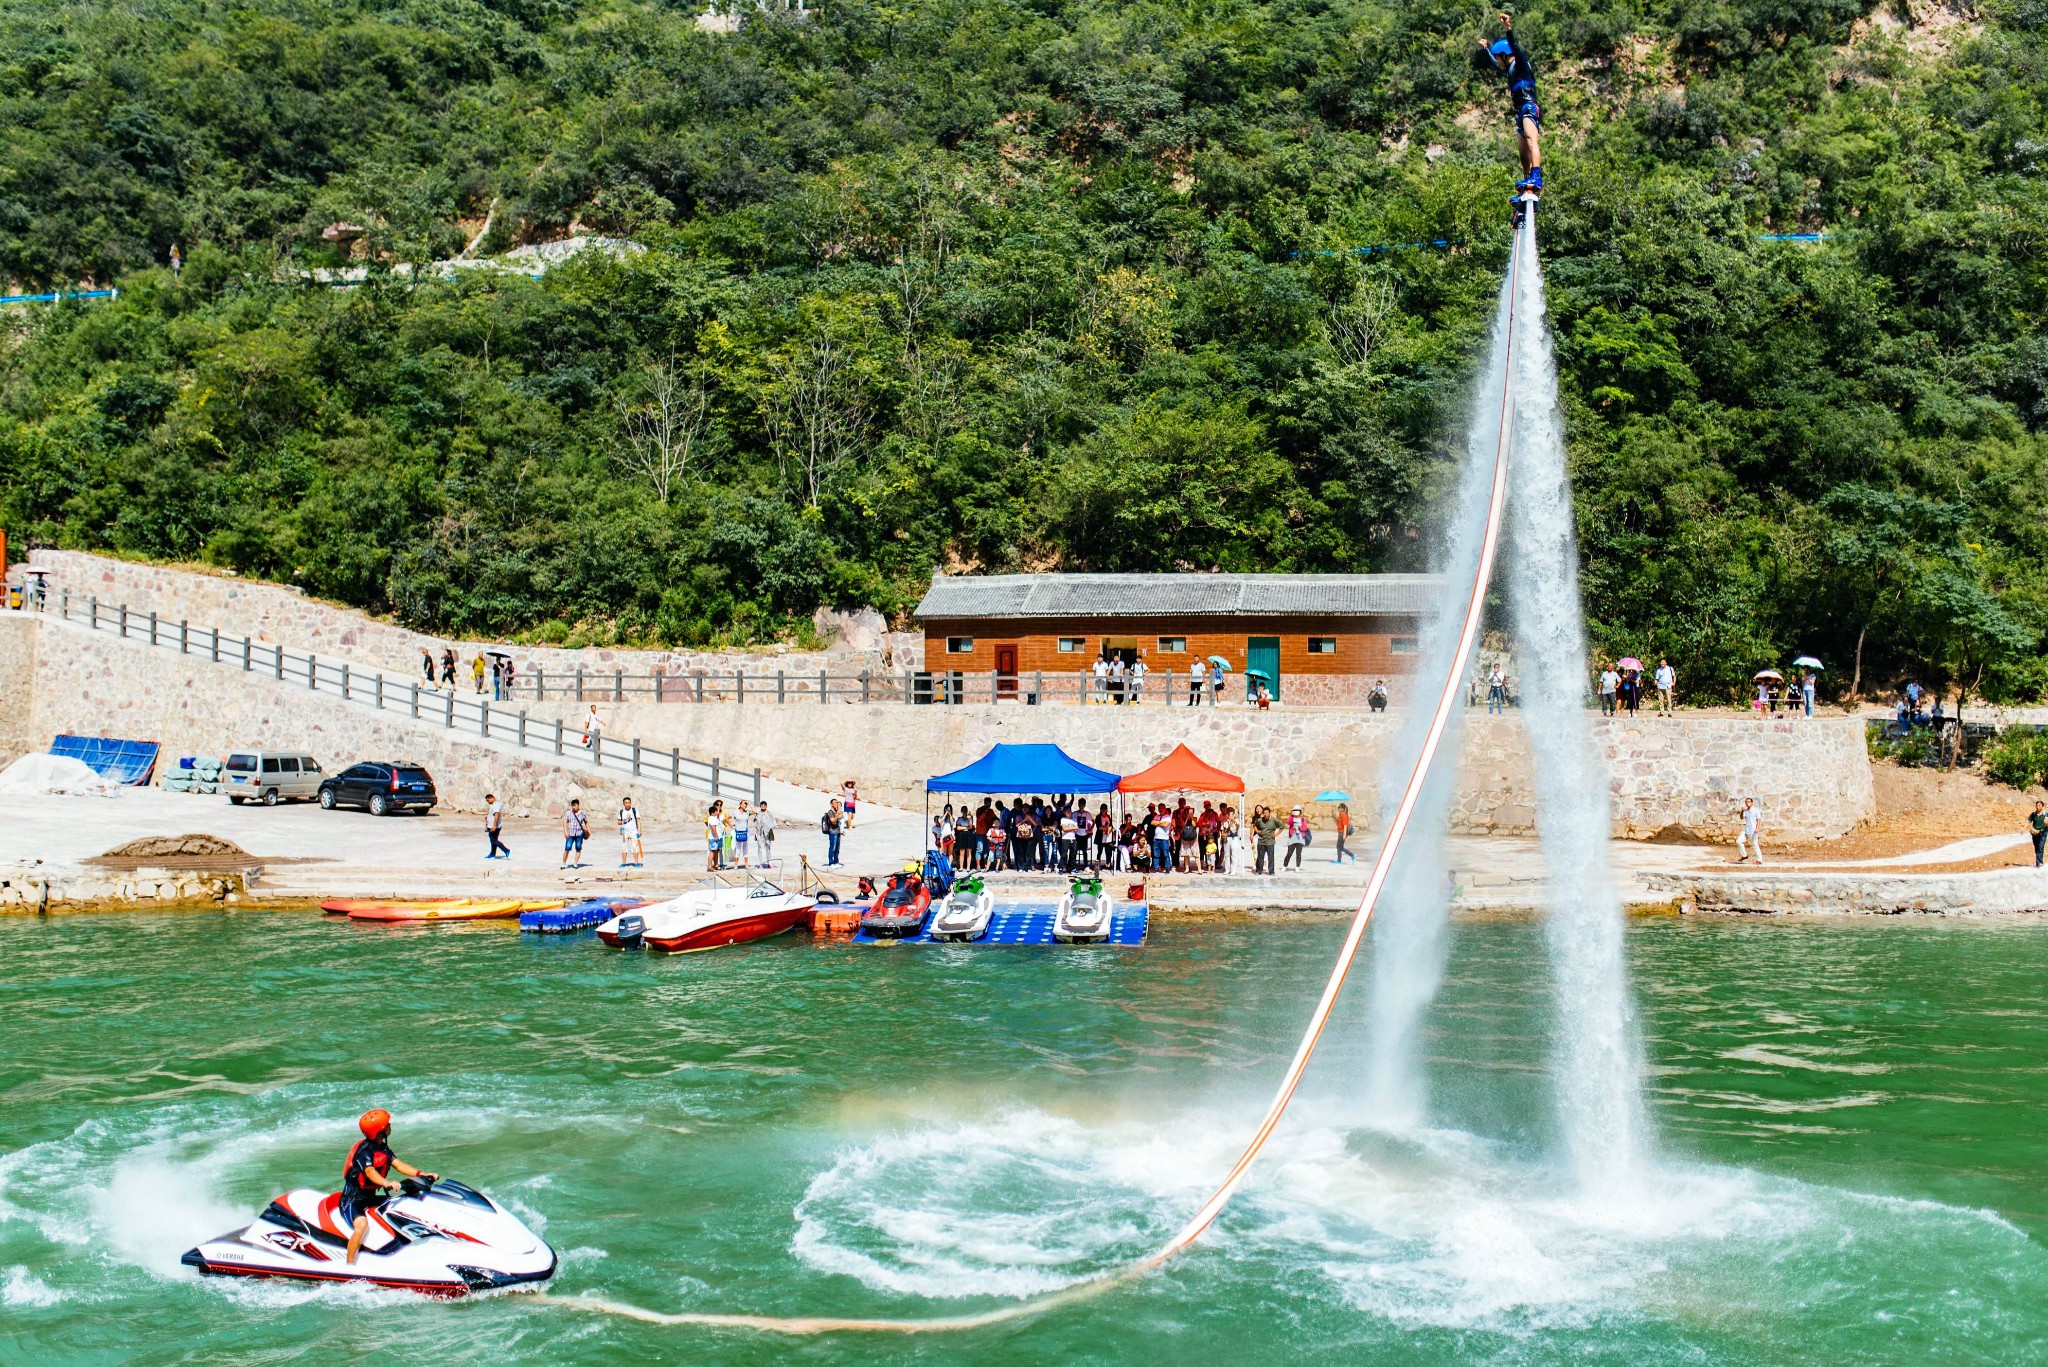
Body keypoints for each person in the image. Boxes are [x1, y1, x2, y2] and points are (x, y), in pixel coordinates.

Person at [342, 1110, 435, 1266]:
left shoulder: (383, 1148)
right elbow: (370, 1172)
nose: (390, 1125)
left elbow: (399, 1165)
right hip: (353, 1200)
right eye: (387, 1125)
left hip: (370, 1197)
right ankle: (349, 1266)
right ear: (380, 1131)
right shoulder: (364, 1152)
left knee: (402, 1205)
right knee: (361, 1226)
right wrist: (386, 1183)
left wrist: (422, 1174)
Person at [1487, 13, 1543, 209]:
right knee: (1522, 155)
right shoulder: (1510, 70)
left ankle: (1536, 176)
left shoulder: (1519, 62)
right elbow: (1497, 67)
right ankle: (1527, 187)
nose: (1498, 61)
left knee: (1531, 141)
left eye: (1498, 57)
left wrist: (1508, 28)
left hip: (1529, 107)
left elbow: (1515, 48)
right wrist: (1486, 49)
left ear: (1504, 54)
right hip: (1520, 112)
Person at [1735, 797, 1765, 865]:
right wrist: (1742, 810)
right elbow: (1741, 817)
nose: (1747, 803)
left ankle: (1759, 860)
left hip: (1753, 830)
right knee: (1739, 841)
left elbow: (1758, 820)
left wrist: (1757, 828)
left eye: (1748, 802)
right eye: (1746, 802)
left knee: (1755, 845)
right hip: (1746, 829)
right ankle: (1744, 855)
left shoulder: (1756, 810)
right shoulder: (1745, 811)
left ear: (1752, 803)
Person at [561, 799, 589, 868]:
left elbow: (586, 821)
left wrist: (589, 830)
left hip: (579, 834)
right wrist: (565, 831)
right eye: (572, 806)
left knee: (578, 848)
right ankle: (563, 863)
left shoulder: (582, 813)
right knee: (567, 848)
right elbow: (565, 822)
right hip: (570, 834)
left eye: (575, 805)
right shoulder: (568, 813)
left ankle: (575, 863)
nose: (573, 807)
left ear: (578, 805)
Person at [1253, 806, 1281, 875]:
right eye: (1264, 813)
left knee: (1271, 858)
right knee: (1260, 857)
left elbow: (1282, 827)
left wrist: (1276, 834)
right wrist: (1257, 831)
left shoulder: (1274, 820)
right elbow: (1254, 825)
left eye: (1267, 813)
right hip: (1261, 841)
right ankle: (1259, 871)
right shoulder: (1260, 820)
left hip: (1270, 842)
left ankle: (1271, 871)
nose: (1265, 814)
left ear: (1269, 813)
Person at [619, 796, 643, 867]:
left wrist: (639, 831)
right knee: (624, 848)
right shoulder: (621, 812)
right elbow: (618, 821)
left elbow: (638, 820)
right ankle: (623, 863)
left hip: (633, 832)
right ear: (624, 804)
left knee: (635, 848)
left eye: (629, 802)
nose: (628, 804)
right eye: (626, 803)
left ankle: (636, 863)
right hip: (624, 833)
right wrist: (623, 821)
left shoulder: (634, 810)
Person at [485, 792, 509, 860]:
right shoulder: (494, 805)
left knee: (493, 840)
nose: (488, 802)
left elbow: (496, 814)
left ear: (491, 798)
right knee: (493, 840)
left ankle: (506, 850)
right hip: (492, 825)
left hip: (494, 826)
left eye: (488, 800)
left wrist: (494, 825)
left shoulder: (496, 805)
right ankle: (492, 854)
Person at [822, 799, 845, 867]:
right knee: (832, 848)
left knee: (837, 848)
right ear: (831, 804)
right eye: (834, 803)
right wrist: (837, 814)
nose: (836, 804)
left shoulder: (836, 812)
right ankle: (831, 863)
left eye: (837, 802)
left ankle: (836, 862)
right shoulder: (830, 812)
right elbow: (833, 821)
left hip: (838, 832)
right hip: (832, 832)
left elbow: (841, 819)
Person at [705, 800, 725, 872]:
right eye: (716, 811)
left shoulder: (716, 817)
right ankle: (709, 866)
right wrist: (716, 835)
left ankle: (716, 865)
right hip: (714, 837)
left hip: (718, 837)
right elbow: (713, 828)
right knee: (712, 852)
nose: (718, 812)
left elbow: (719, 816)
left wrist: (718, 809)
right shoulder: (711, 818)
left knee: (717, 851)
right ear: (713, 813)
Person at [756, 800, 777, 868]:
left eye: (764, 805)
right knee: (760, 848)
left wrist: (769, 827)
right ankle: (760, 864)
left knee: (768, 848)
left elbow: (773, 822)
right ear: (760, 806)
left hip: (767, 833)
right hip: (760, 833)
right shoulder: (758, 814)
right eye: (762, 805)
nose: (763, 806)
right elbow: (755, 822)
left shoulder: (769, 813)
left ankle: (770, 863)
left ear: (766, 806)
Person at [2032, 801, 2047, 869]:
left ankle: (2039, 863)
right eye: (2036, 805)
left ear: (2042, 806)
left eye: (2039, 806)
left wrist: (2042, 829)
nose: (2037, 807)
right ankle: (2039, 862)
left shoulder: (2046, 814)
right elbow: (2029, 821)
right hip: (2035, 833)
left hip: (2043, 833)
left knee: (2040, 847)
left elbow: (2047, 822)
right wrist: (2023, 828)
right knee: (2037, 847)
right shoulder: (2034, 814)